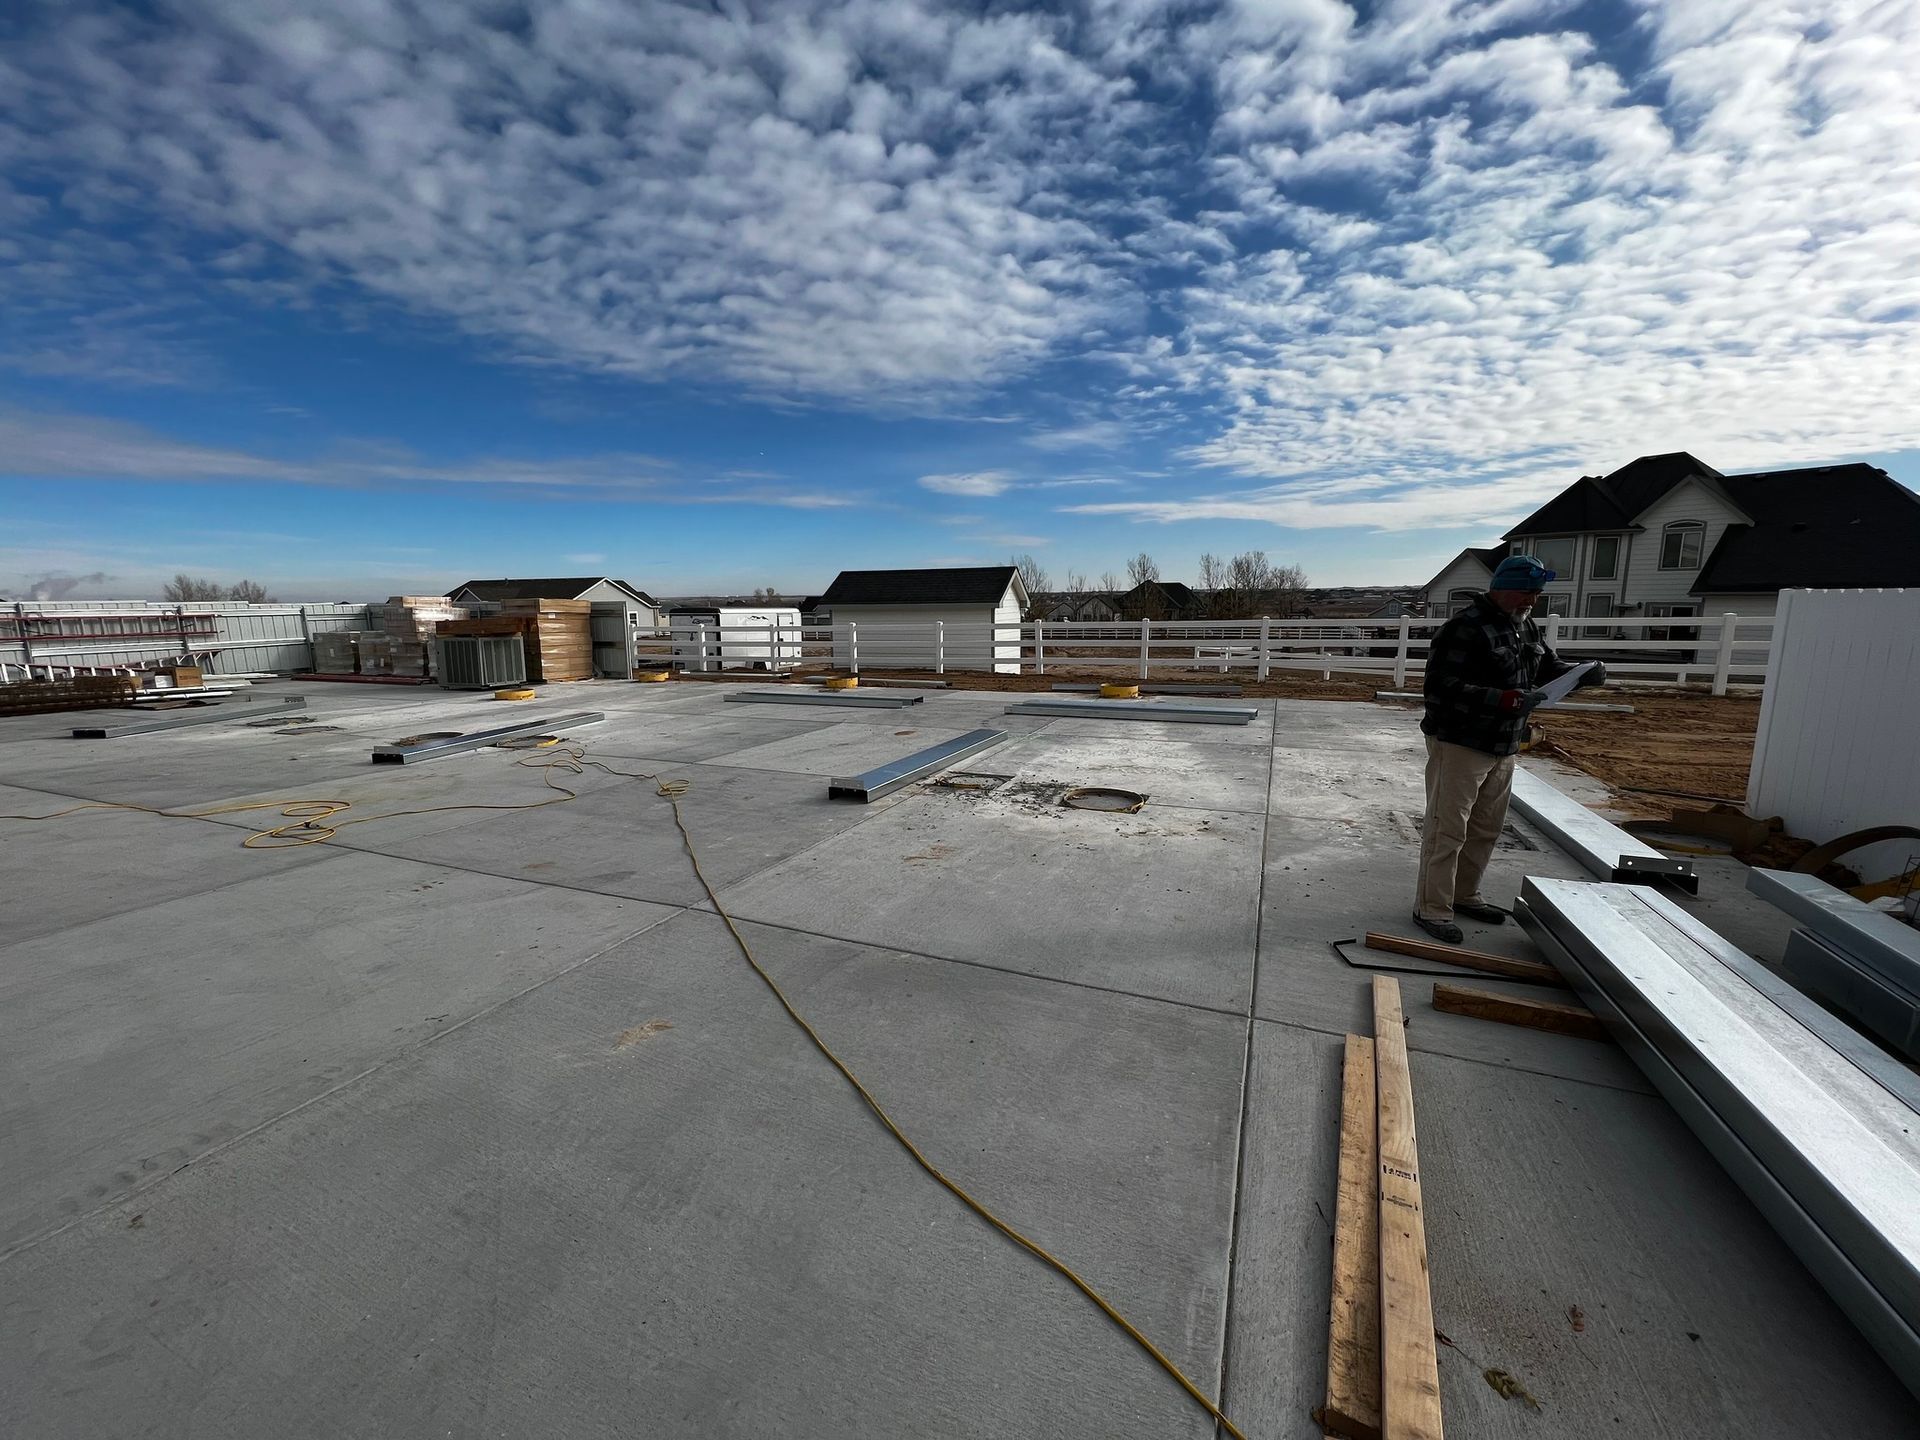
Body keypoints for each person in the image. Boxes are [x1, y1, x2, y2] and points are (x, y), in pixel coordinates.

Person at [1414, 555, 1607, 943]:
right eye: (1526, 592)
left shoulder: (1525, 626)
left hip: (1505, 744)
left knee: (1486, 828)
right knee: (1447, 830)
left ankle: (1465, 895)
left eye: (1536, 594)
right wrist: (1501, 700)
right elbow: (1439, 687)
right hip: (1461, 742)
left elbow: (1547, 668)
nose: (1532, 601)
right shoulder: (1464, 628)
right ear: (1501, 587)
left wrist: (1581, 674)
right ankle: (1432, 908)